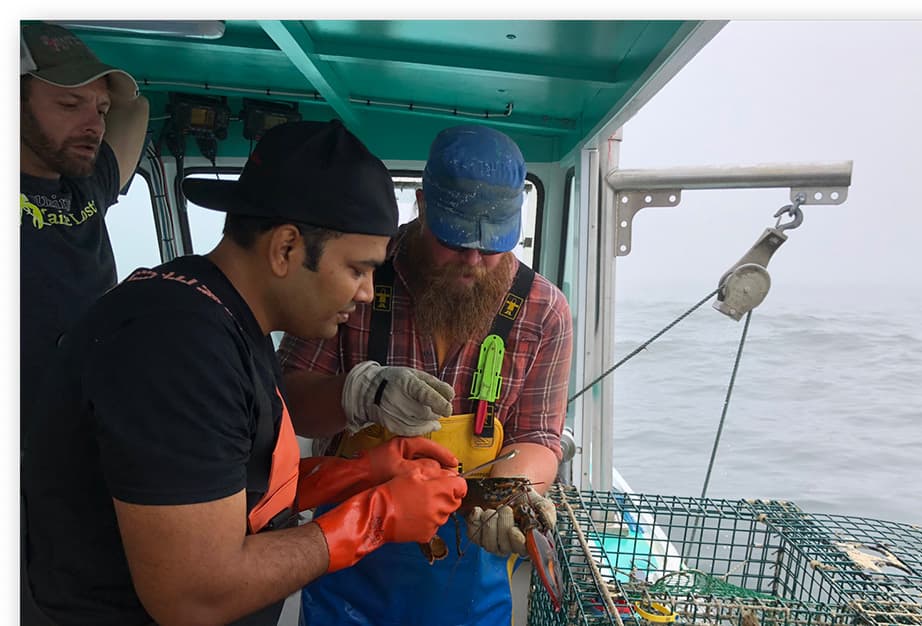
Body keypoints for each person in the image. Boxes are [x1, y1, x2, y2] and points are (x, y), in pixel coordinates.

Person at [20, 119, 468, 626]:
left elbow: (233, 492)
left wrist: (363, 474)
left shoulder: (224, 319)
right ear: (286, 248)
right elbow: (193, 594)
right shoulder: (175, 345)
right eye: (357, 269)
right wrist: (376, 518)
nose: (366, 292)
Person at [278, 124, 574, 625]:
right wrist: (358, 393)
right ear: (422, 205)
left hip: (470, 581)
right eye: (455, 241)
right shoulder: (356, 273)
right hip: (348, 563)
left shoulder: (543, 310)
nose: (474, 262)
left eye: (492, 245)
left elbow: (539, 435)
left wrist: (510, 497)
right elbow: (287, 405)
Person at [20, 21, 150, 412]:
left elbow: (137, 106)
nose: (94, 126)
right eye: (69, 105)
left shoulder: (87, 185)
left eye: (102, 108)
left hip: (82, 429)